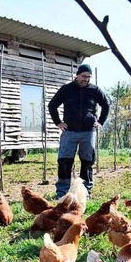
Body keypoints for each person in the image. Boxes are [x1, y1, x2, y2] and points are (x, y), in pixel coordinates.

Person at [48, 63, 109, 199]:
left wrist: (100, 121)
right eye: (83, 76)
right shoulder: (66, 89)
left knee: (87, 162)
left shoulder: (95, 90)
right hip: (69, 132)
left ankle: (85, 193)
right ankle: (62, 193)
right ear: (77, 75)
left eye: (88, 77)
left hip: (88, 132)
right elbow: (52, 105)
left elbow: (106, 105)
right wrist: (58, 122)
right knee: (64, 161)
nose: (86, 79)